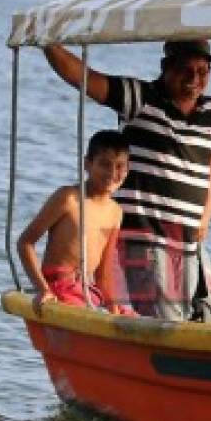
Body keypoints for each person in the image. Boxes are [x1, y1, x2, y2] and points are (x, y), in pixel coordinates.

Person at [42, 39, 211, 320]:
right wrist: (48, 42)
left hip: (190, 241)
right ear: (166, 68)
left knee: (209, 318)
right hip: (146, 238)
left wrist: (207, 214)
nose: (194, 79)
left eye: (202, 72)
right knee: (166, 322)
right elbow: (84, 79)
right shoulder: (139, 97)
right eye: (185, 70)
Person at [17, 129, 135, 314]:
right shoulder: (69, 198)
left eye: (120, 166)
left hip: (87, 291)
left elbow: (103, 274)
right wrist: (43, 289)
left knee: (131, 318)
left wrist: (113, 308)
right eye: (104, 164)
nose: (112, 172)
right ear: (87, 164)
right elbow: (25, 242)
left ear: (127, 170)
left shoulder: (116, 212)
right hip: (60, 288)